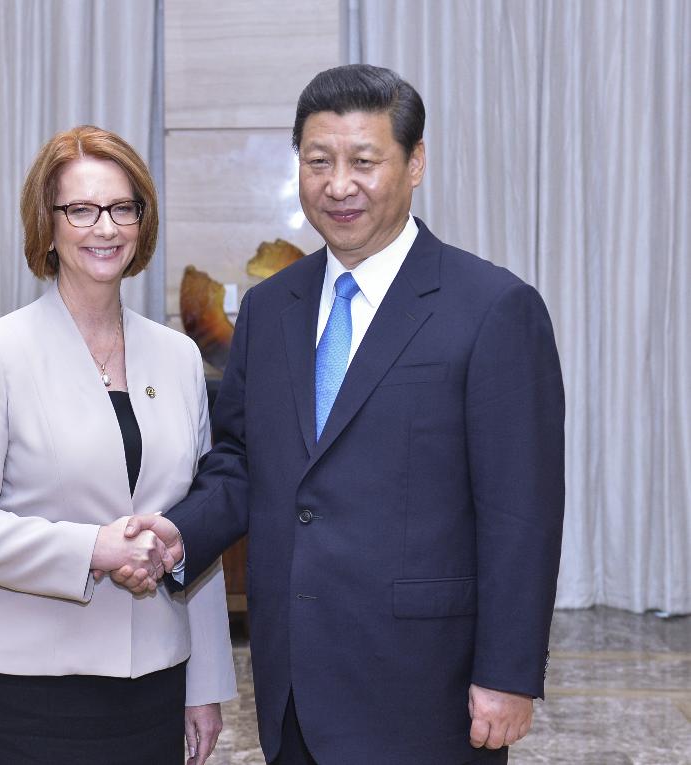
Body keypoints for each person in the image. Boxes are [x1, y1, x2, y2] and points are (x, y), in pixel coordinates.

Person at [120, 65, 565, 763]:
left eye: (365, 161)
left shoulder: (492, 309)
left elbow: (521, 512)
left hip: (428, 688)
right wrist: (179, 534)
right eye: (318, 161)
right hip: (294, 679)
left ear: (415, 162)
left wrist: (507, 674)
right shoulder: (270, 310)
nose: (338, 184)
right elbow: (240, 459)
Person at [0, 125, 236, 765]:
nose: (106, 228)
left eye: (124, 208)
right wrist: (91, 548)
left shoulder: (178, 356)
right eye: (82, 209)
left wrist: (204, 686)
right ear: (50, 224)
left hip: (151, 683)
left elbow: (193, 523)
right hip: (20, 689)